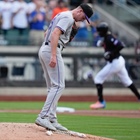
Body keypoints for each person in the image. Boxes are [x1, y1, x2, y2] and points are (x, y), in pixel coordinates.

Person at [35, 3, 93, 131]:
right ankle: (43, 116)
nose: (83, 20)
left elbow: (46, 33)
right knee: (59, 86)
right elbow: (55, 34)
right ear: (80, 10)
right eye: (84, 17)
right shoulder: (69, 17)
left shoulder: (62, 14)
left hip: (45, 48)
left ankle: (51, 118)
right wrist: (54, 55)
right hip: (52, 50)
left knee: (52, 87)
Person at [90, 22, 140, 109]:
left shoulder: (109, 37)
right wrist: (104, 45)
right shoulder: (106, 37)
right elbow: (107, 44)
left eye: (99, 31)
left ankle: (101, 102)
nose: (98, 33)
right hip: (118, 61)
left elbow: (121, 45)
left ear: (103, 31)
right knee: (127, 81)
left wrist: (111, 53)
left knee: (98, 78)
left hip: (115, 62)